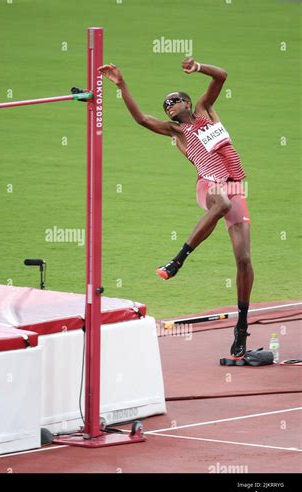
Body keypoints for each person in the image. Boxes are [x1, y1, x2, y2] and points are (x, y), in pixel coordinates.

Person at [99, 58, 253, 359]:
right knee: (219, 203)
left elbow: (222, 74)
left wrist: (198, 67)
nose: (169, 107)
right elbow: (142, 119)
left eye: (174, 101)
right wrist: (122, 85)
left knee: (244, 260)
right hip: (209, 185)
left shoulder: (206, 110)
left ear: (188, 101)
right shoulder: (177, 132)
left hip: (236, 187)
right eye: (166, 105)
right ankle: (177, 260)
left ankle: (242, 328)